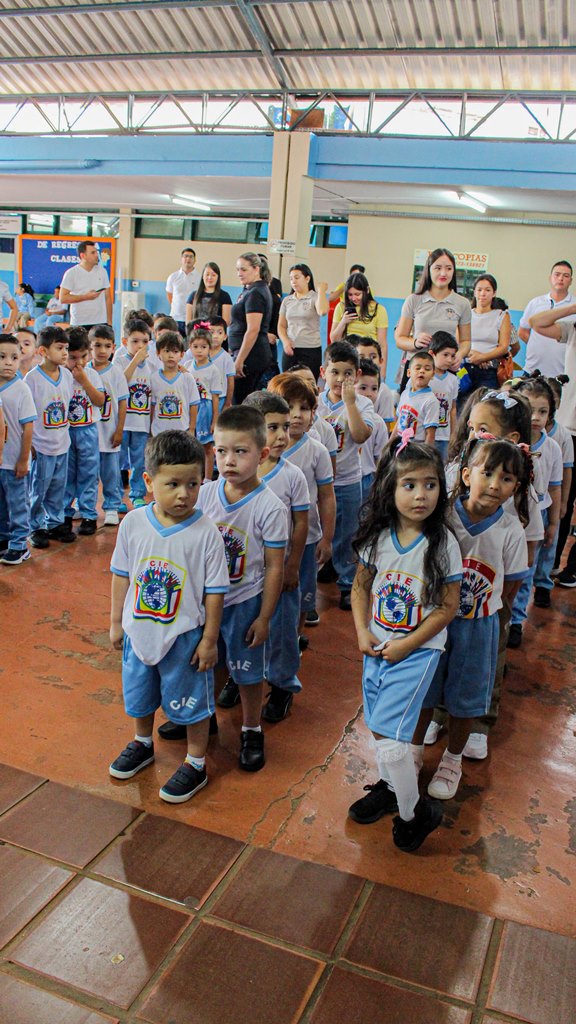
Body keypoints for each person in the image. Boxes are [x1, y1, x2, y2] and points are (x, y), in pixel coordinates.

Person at [348, 435, 462, 851]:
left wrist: (408, 645)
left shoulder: (442, 542)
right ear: (389, 489)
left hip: (416, 652)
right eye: (409, 484)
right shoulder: (379, 537)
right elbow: (361, 588)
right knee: (380, 729)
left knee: (395, 740)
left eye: (430, 484)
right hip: (378, 646)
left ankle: (415, 814)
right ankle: (394, 789)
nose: (421, 495)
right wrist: (362, 631)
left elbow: (447, 608)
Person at [108, 430, 229, 804]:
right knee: (140, 696)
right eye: (172, 484)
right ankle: (142, 742)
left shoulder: (206, 532)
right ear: (148, 481)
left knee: (190, 703)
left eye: (193, 484)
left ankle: (196, 762)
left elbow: (214, 591)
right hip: (139, 632)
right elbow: (121, 574)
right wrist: (116, 621)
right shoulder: (133, 523)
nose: (183, 494)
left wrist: (209, 640)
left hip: (184, 638)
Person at [414, 437, 530, 800]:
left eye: (507, 479)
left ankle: (452, 759)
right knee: (425, 690)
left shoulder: (511, 530)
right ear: (465, 475)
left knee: (466, 698)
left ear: (516, 487)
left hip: (478, 626)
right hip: (434, 621)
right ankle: (413, 752)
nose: (495, 484)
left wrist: (489, 616)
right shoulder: (443, 516)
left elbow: (511, 584)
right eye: (487, 473)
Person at [196, 406, 288, 771]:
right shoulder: (204, 495)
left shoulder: (270, 507)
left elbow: (274, 565)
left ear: (262, 454)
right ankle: (205, 719)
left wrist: (265, 616)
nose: (228, 460)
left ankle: (252, 729)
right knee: (208, 661)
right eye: (221, 451)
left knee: (248, 673)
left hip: (246, 602)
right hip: (208, 602)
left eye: (240, 451)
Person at [241, 391, 310, 723]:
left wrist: (292, 565)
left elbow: (301, 524)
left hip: (278, 572)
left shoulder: (292, 475)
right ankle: (242, 677)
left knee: (282, 632)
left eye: (284, 427)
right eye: (273, 428)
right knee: (244, 629)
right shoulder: (238, 472)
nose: (282, 435)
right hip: (244, 575)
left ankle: (282, 685)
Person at [267, 372, 336, 635]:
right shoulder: (263, 448)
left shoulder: (317, 450)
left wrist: (327, 538)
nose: (296, 414)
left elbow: (327, 496)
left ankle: (294, 637)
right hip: (268, 537)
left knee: (302, 592)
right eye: (289, 406)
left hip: (305, 538)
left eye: (304, 408)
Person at [317, 341, 374, 610]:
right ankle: (326, 566)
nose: (341, 379)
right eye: (335, 372)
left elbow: (361, 436)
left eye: (348, 373)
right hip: (318, 482)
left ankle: (347, 583)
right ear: (323, 372)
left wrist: (350, 403)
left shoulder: (362, 404)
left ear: (358, 374)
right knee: (320, 529)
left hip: (349, 480)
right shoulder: (314, 403)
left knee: (349, 533)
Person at [508, 377, 562, 645]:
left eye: (543, 411)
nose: (536, 417)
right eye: (530, 410)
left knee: (526, 570)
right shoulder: (508, 443)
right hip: (507, 516)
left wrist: (553, 523)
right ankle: (500, 613)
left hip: (535, 518)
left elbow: (554, 488)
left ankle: (516, 620)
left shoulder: (552, 448)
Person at [526, 300, 576, 586]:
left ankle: (570, 566)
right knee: (561, 501)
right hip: (571, 423)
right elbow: (537, 323)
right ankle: (550, 567)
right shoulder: (572, 327)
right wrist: (572, 308)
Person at [25, 326, 76, 548]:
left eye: (66, 348)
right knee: (38, 488)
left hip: (62, 443)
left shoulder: (67, 375)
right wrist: (30, 445)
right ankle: (35, 526)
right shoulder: (32, 379)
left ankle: (54, 522)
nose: (65, 353)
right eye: (59, 348)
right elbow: (27, 414)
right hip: (41, 445)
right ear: (43, 351)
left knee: (58, 487)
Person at [395, 248, 472, 387]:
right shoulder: (413, 300)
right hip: (417, 369)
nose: (443, 273)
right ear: (429, 270)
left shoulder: (463, 303)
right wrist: (415, 343)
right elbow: (400, 339)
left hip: (445, 371)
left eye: (449, 268)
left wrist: (459, 355)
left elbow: (466, 341)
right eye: (438, 268)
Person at [64, 327, 106, 535]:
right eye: (72, 358)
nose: (78, 363)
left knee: (89, 472)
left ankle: (89, 513)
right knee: (66, 474)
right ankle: (64, 512)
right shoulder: (61, 376)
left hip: (88, 430)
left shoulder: (91, 374)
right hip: (66, 432)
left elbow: (100, 401)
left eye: (83, 356)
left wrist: (84, 381)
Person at [0, 333, 36, 564]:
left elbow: (28, 428)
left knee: (17, 503)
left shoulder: (21, 389)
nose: (8, 362)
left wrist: (23, 459)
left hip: (14, 461)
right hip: (0, 462)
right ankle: (4, 539)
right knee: (2, 504)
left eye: (14, 357)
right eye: (2, 357)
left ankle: (20, 544)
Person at [88, 326, 128, 527]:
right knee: (87, 472)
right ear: (89, 347)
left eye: (106, 346)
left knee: (111, 473)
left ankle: (112, 506)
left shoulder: (116, 372)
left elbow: (122, 402)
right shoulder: (83, 371)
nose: (102, 350)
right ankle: (85, 504)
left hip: (110, 432)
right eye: (97, 345)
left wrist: (120, 429)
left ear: (114, 347)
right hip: (88, 435)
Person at [113, 318, 154, 511]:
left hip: (142, 423)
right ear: (124, 342)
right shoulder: (119, 360)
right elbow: (120, 383)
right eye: (135, 341)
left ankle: (137, 494)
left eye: (144, 341)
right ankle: (115, 497)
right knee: (118, 461)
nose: (140, 346)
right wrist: (135, 361)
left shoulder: (151, 364)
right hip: (123, 422)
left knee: (140, 461)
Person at [228, 252, 273, 403]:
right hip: (244, 352)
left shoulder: (256, 293)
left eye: (243, 269)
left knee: (241, 402)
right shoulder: (249, 289)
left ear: (256, 269)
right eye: (237, 269)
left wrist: (240, 359)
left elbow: (253, 329)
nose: (239, 273)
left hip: (251, 357)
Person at [519, 261, 576, 377]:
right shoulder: (535, 303)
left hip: (562, 373)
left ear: (570, 281)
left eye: (566, 276)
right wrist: (538, 344)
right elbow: (523, 331)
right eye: (557, 274)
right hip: (532, 370)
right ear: (550, 278)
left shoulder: (573, 306)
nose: (561, 278)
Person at [545, 377, 574, 584]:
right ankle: (550, 567)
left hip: (553, 496)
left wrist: (563, 502)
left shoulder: (561, 437)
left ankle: (552, 572)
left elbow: (565, 474)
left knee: (560, 515)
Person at [183, 325, 221, 480]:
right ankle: (192, 476)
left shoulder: (213, 370)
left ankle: (207, 479)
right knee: (190, 446)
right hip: (189, 409)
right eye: (195, 346)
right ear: (190, 347)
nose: (199, 350)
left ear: (209, 348)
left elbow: (215, 397)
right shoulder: (186, 367)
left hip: (205, 410)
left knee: (207, 447)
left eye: (203, 347)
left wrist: (215, 420)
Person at [277, 263, 329, 380]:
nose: (293, 281)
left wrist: (321, 291)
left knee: (308, 385)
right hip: (291, 349)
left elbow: (322, 311)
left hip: (310, 349)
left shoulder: (315, 297)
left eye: (296, 277)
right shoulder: (287, 300)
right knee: (287, 384)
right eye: (291, 279)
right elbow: (281, 326)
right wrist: (285, 342)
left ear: (307, 278)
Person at [330, 273, 388, 375]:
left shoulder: (379, 310)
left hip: (368, 360)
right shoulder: (341, 307)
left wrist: (382, 373)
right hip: (348, 359)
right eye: (350, 295)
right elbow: (334, 339)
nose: (353, 298)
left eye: (357, 294)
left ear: (367, 291)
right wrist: (343, 322)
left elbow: (382, 344)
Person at [465, 274, 511, 392]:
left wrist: (482, 357)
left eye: (487, 290)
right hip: (464, 368)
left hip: (489, 371)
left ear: (494, 293)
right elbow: (458, 342)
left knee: (486, 407)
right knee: (462, 407)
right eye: (479, 290)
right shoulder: (466, 314)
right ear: (474, 292)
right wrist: (472, 354)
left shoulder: (502, 315)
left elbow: (504, 347)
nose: (482, 294)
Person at [150, 331, 199, 437]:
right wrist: (150, 428)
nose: (171, 355)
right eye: (166, 351)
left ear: (182, 354)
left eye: (175, 351)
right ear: (158, 353)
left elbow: (193, 404)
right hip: (159, 431)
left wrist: (192, 428)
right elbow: (152, 406)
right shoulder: (154, 378)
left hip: (182, 430)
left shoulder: (187, 377)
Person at [355, 358, 389, 502]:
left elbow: (380, 458)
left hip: (368, 479)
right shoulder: (342, 417)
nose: (369, 394)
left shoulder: (378, 423)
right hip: (345, 478)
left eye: (374, 389)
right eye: (363, 388)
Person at [60, 241, 112, 329]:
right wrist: (86, 297)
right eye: (93, 253)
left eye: (96, 252)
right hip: (79, 323)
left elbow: (108, 298)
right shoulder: (71, 273)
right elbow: (63, 298)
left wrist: (109, 322)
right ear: (83, 256)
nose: (96, 255)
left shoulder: (102, 271)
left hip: (100, 322)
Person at [393, 351, 440, 445]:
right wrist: (389, 446)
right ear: (409, 372)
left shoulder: (431, 401)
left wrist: (426, 457)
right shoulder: (404, 394)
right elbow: (398, 423)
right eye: (418, 368)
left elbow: (430, 434)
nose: (422, 371)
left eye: (427, 369)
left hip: (417, 449)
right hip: (399, 445)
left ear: (432, 374)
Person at [349, 336, 396, 425]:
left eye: (373, 356)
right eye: (361, 356)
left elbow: (384, 428)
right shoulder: (347, 386)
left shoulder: (384, 391)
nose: (367, 359)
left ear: (381, 361)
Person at [429, 332, 460, 462]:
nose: (449, 360)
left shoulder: (453, 380)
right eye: (445, 355)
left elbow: (453, 409)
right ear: (432, 354)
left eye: (452, 356)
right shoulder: (424, 377)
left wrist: (453, 435)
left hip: (444, 436)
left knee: (442, 468)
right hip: (425, 434)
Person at [166, 248, 200, 336]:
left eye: (191, 257)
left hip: (193, 318)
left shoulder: (200, 278)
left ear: (195, 260)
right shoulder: (173, 277)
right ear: (181, 259)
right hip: (176, 318)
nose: (188, 259)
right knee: (175, 345)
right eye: (185, 256)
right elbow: (170, 295)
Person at [185, 262, 232, 327]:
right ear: (202, 277)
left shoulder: (225, 296)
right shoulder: (193, 295)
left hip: (215, 335)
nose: (210, 277)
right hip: (197, 334)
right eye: (207, 274)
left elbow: (226, 322)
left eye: (213, 275)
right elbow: (188, 322)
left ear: (218, 277)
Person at [208, 316, 235, 410]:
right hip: (203, 399)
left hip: (220, 398)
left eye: (219, 332)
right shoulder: (199, 355)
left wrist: (228, 402)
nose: (215, 336)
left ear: (225, 336)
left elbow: (230, 381)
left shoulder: (226, 358)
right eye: (211, 332)